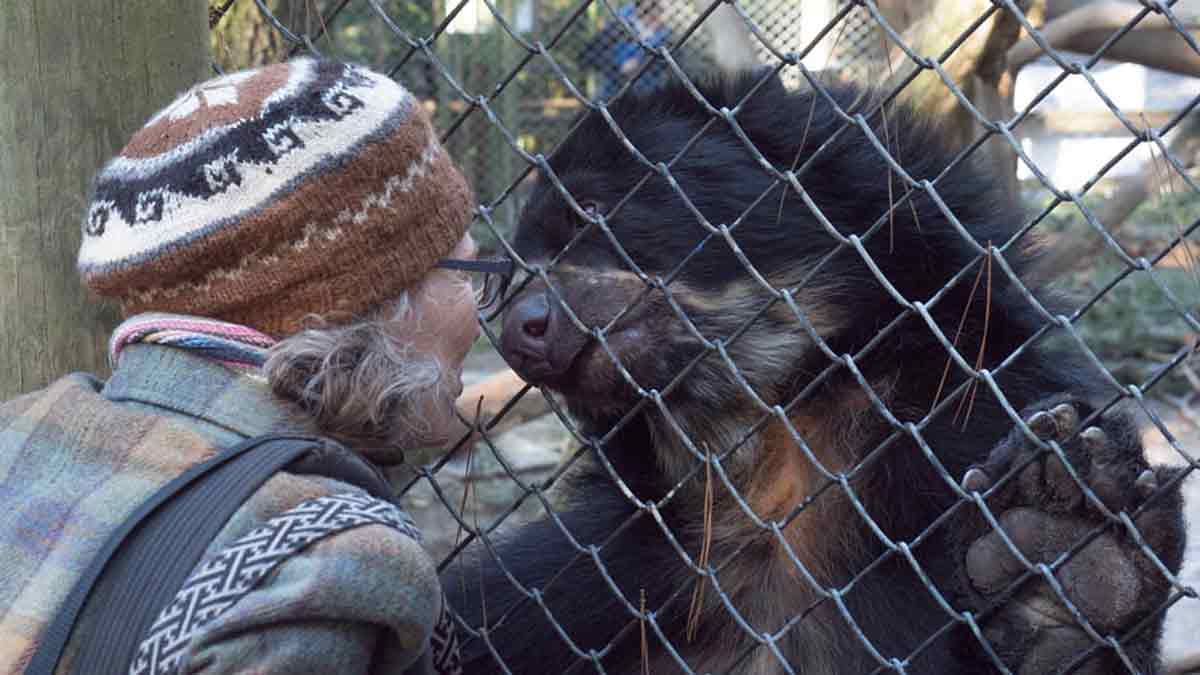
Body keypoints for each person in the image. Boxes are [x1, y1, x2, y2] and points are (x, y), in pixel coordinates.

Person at [0, 57, 500, 674]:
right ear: (373, 301)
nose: (480, 310)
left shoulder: (16, 434)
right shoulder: (319, 566)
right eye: (469, 273)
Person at [581, 0, 674, 100]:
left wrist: (640, 65)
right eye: (656, 7)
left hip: (647, 97)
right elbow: (590, 55)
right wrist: (619, 68)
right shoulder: (619, 26)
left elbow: (669, 70)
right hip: (611, 94)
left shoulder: (667, 39)